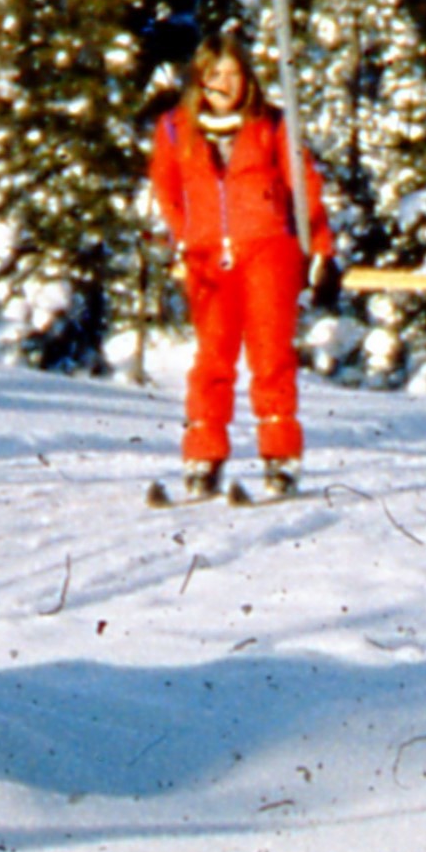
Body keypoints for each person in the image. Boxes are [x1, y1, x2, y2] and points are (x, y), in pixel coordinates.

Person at [142, 29, 333, 500]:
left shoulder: (271, 124)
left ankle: (280, 459)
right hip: (208, 257)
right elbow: (166, 188)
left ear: (247, 78)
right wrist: (186, 235)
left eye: (233, 73)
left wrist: (320, 248)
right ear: (199, 79)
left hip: (269, 249)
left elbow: (305, 185)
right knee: (212, 358)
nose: (224, 84)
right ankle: (203, 458)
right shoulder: (176, 128)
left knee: (270, 356)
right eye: (214, 74)